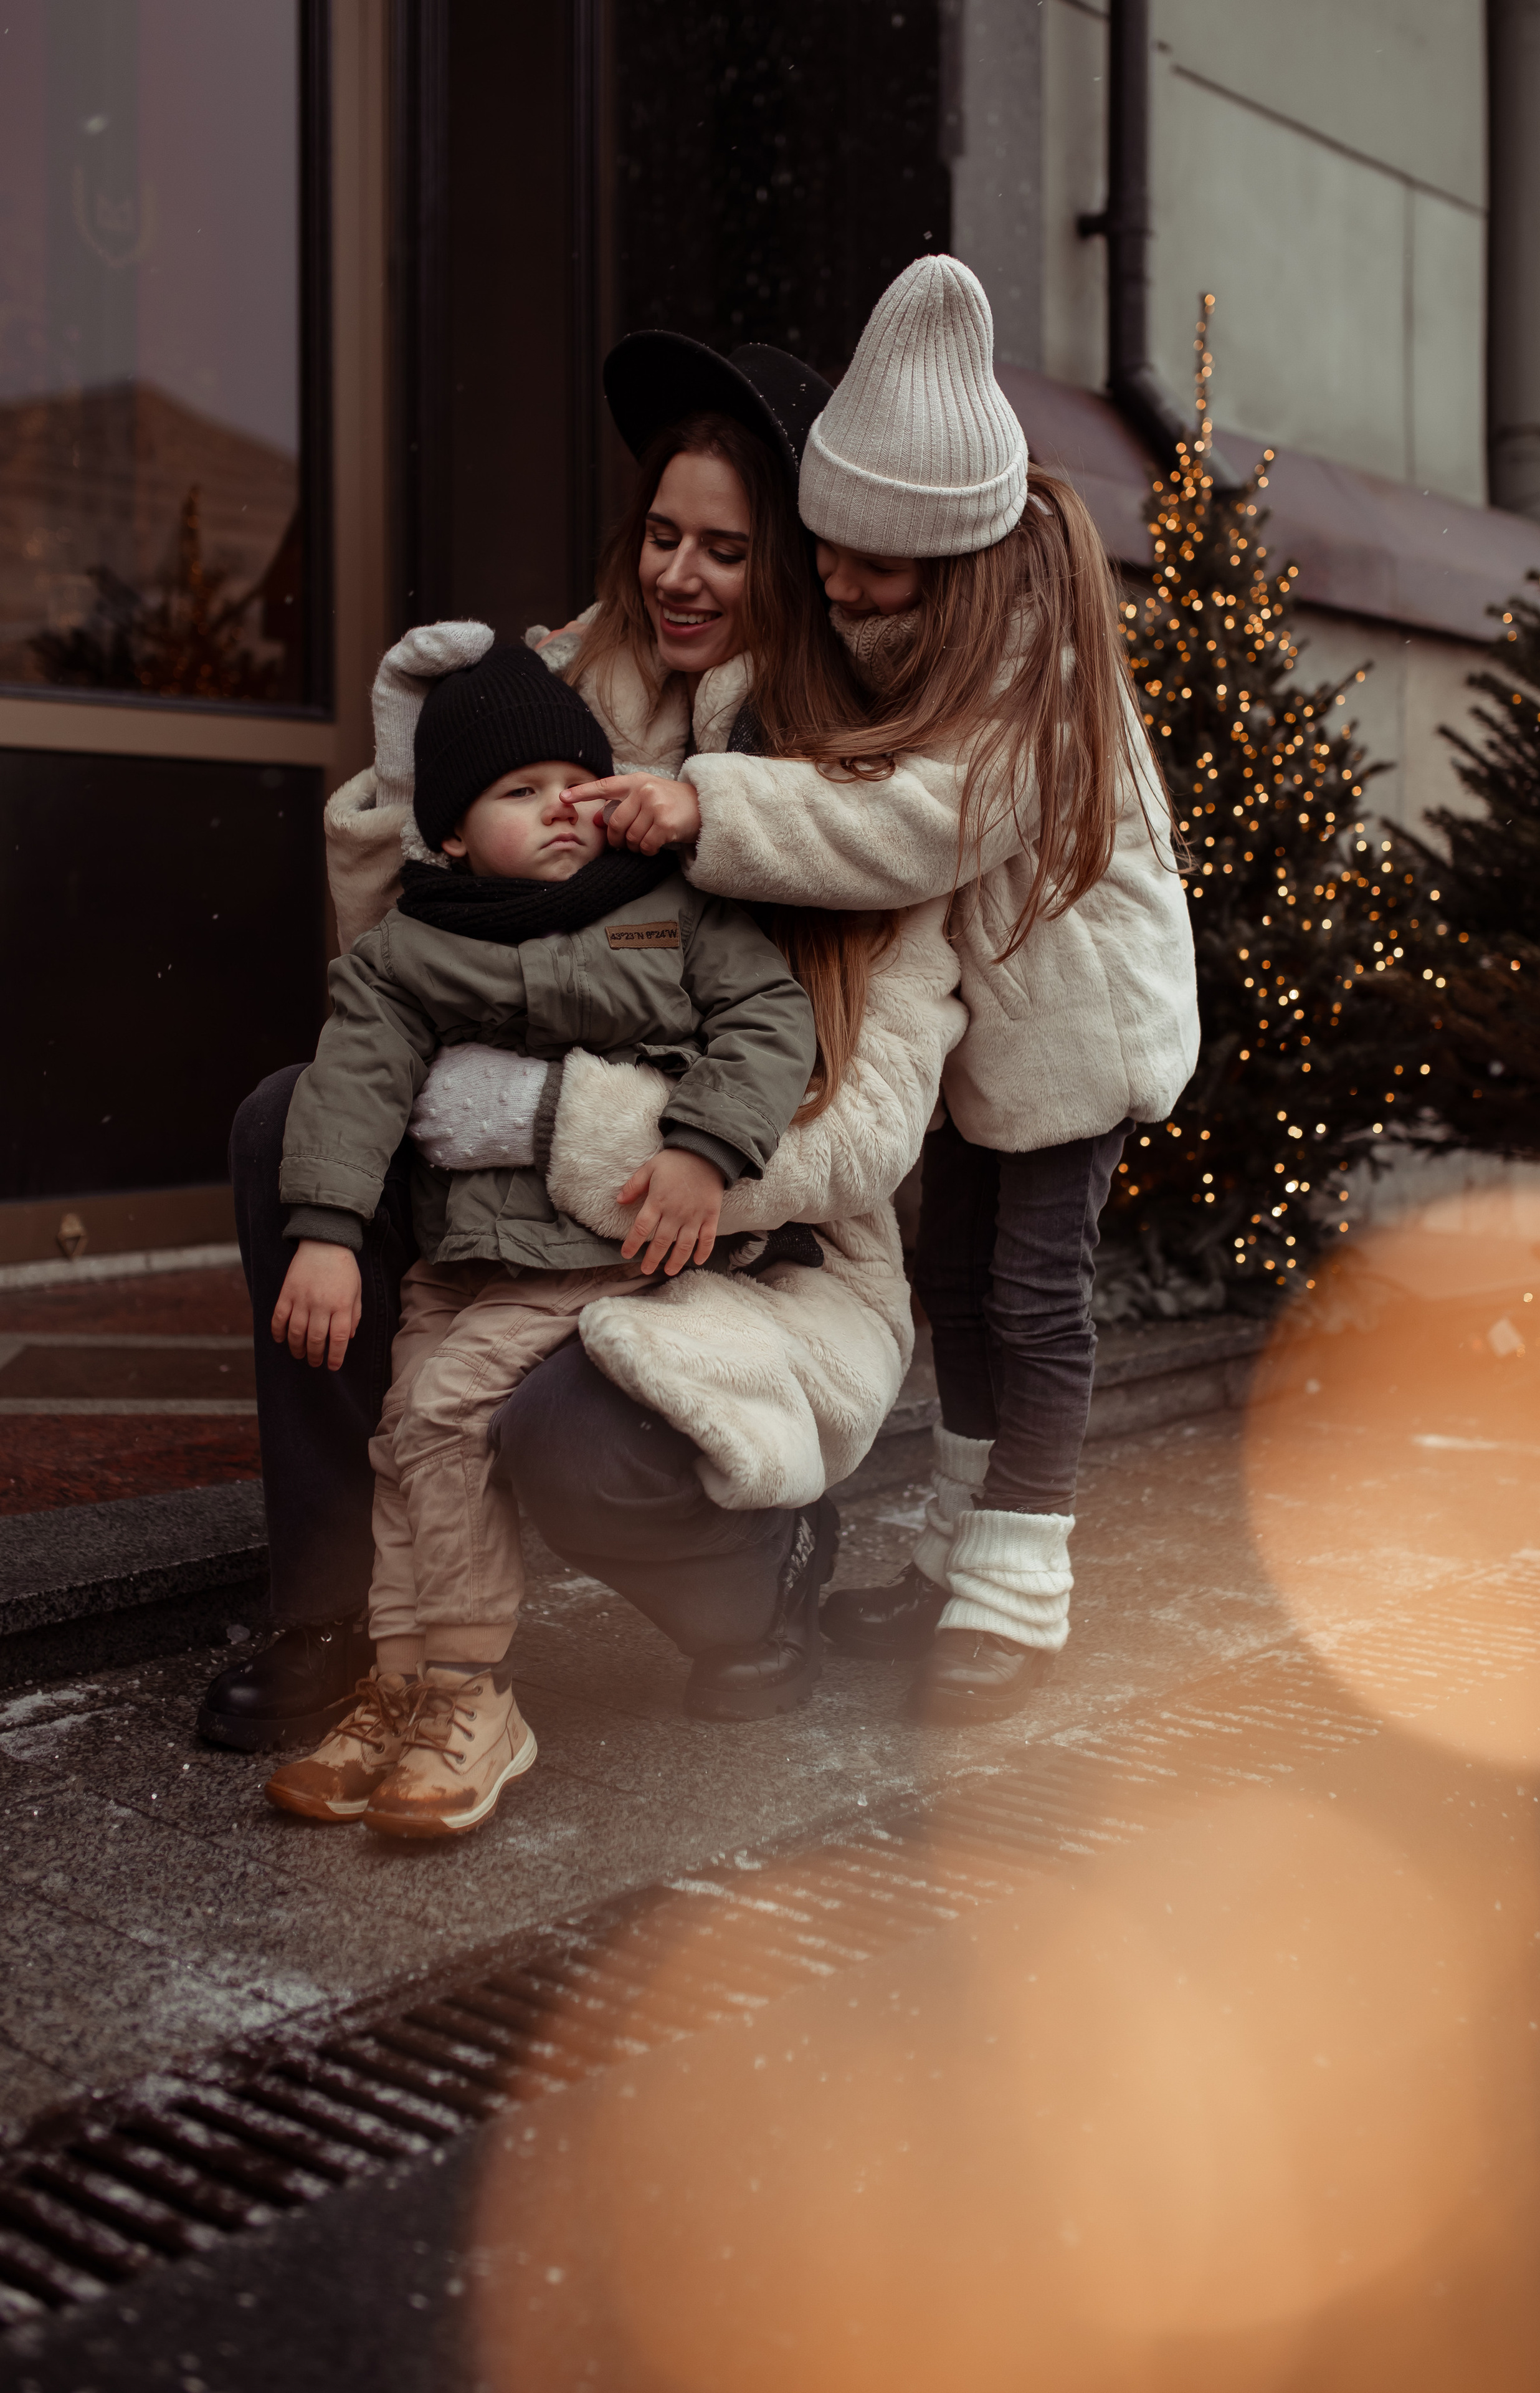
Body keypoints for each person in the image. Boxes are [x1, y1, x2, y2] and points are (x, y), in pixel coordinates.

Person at [202, 337, 964, 1754]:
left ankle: (761, 1575)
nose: (681, 574)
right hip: (508, 1216)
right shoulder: (560, 694)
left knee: (568, 1433)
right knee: (288, 1121)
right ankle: (335, 1604)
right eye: (663, 535)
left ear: (795, 570)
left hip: (748, 1231)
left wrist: (562, 1122)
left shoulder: (863, 788)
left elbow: (865, 1128)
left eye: (727, 550)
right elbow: (393, 980)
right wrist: (410, 774)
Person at [579, 257, 1200, 1726]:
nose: (840, 585)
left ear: (953, 556)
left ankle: (1017, 1584)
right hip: (991, 1027)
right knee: (954, 1285)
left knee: (1031, 1298)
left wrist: (708, 803)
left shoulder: (1039, 665)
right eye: (827, 553)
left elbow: (919, 824)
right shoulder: (922, 616)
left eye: (873, 566)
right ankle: (952, 1553)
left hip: (1077, 1029)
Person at [259, 638, 817, 1835]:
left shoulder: (669, 906)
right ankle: (400, 1686)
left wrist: (703, 1146)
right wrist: (326, 1231)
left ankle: (472, 1694)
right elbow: (353, 1083)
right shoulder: (412, 946)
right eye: (519, 791)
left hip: (595, 1248)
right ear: (452, 838)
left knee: (447, 1410)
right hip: (465, 1262)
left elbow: (772, 1019)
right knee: (407, 1436)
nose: (562, 805)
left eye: (577, 780)